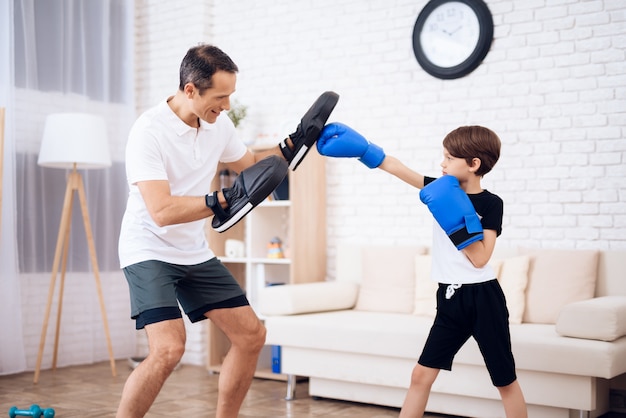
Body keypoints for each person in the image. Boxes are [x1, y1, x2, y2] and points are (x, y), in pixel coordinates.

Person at [116, 44, 338, 418]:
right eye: (220, 97)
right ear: (190, 90)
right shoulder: (148, 132)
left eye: (230, 96)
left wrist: (292, 144)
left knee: (251, 336)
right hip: (148, 249)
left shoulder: (218, 124)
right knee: (169, 349)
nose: (227, 106)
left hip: (193, 251)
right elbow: (162, 211)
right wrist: (223, 199)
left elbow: (248, 166)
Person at [316, 123, 528, 418]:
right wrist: (363, 150)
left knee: (504, 380)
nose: (442, 163)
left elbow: (480, 258)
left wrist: (453, 215)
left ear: (474, 164)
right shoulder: (439, 188)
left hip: (484, 299)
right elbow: (397, 168)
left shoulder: (491, 204)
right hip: (450, 298)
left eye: (450, 158)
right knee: (421, 375)